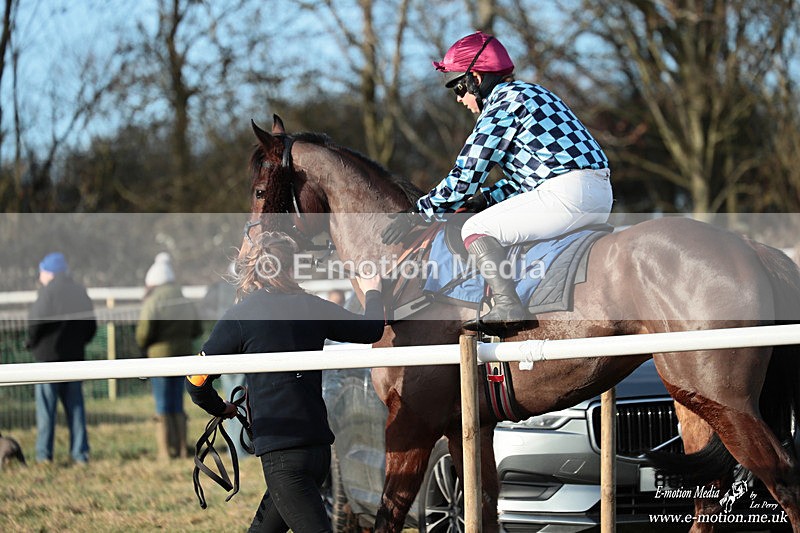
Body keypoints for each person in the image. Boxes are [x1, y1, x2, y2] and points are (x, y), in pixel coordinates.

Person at [381, 31, 613, 331]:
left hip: (566, 194)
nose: (458, 98)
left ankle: (508, 305)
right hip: (598, 192)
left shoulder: (503, 103)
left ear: (476, 78)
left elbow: (465, 175)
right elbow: (532, 177)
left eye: (458, 87)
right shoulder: (535, 92)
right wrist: (486, 198)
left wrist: (420, 211)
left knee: (475, 228)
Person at [186, 231, 384, 533]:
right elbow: (371, 330)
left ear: (253, 270)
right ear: (291, 268)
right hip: (318, 451)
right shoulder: (312, 306)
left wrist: (221, 408)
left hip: (282, 456)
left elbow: (196, 381)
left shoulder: (239, 317)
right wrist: (373, 291)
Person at [27, 252, 96, 465]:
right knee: (76, 409)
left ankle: (44, 456)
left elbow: (35, 323)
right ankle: (80, 455)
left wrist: (30, 342)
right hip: (74, 360)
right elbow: (91, 327)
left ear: (50, 272)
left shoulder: (47, 293)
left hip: (47, 360)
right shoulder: (80, 292)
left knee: (46, 411)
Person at [136, 252, 201, 460]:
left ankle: (165, 452)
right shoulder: (184, 300)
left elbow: (143, 333)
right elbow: (197, 329)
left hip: (159, 361)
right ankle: (182, 449)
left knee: (163, 406)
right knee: (178, 404)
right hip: (183, 359)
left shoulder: (152, 301)